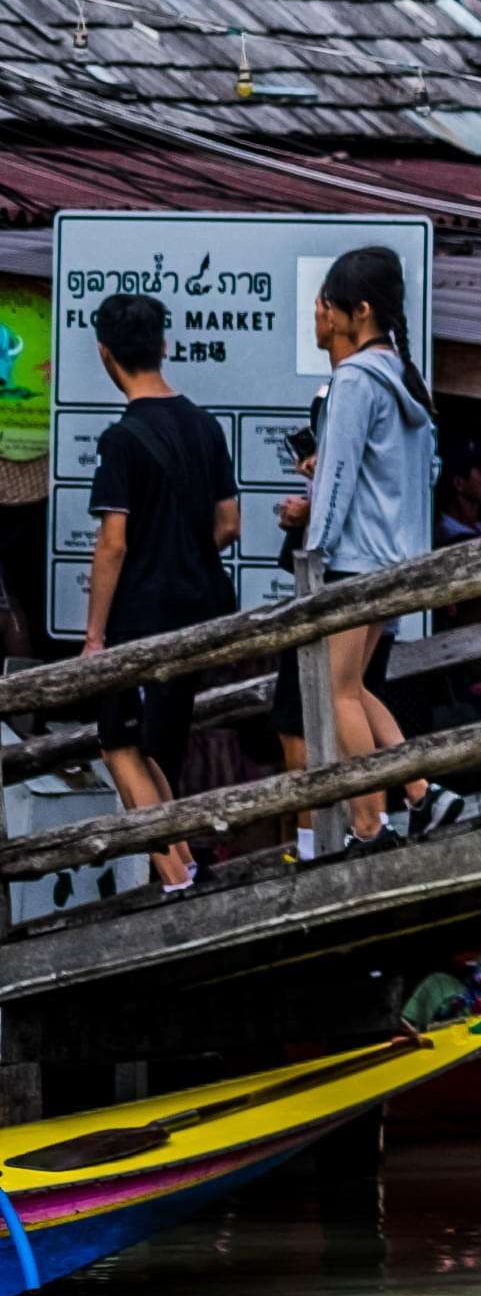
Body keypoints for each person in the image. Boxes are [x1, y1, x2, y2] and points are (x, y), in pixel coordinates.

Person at [277, 244, 437, 851]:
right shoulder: (402, 379)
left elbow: (339, 477)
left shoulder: (354, 381)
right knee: (358, 688)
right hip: (397, 561)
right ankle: (423, 793)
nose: (322, 314)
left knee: (335, 690)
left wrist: (312, 557)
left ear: (358, 311)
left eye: (329, 305)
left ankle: (371, 824)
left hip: (350, 562)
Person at [76, 292, 234, 893]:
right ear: (165, 346)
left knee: (118, 744)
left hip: (141, 615)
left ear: (105, 354)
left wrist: (95, 638)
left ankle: (172, 874)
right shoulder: (205, 424)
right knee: (156, 747)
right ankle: (185, 860)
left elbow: (112, 542)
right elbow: (229, 524)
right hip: (199, 612)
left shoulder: (123, 438)